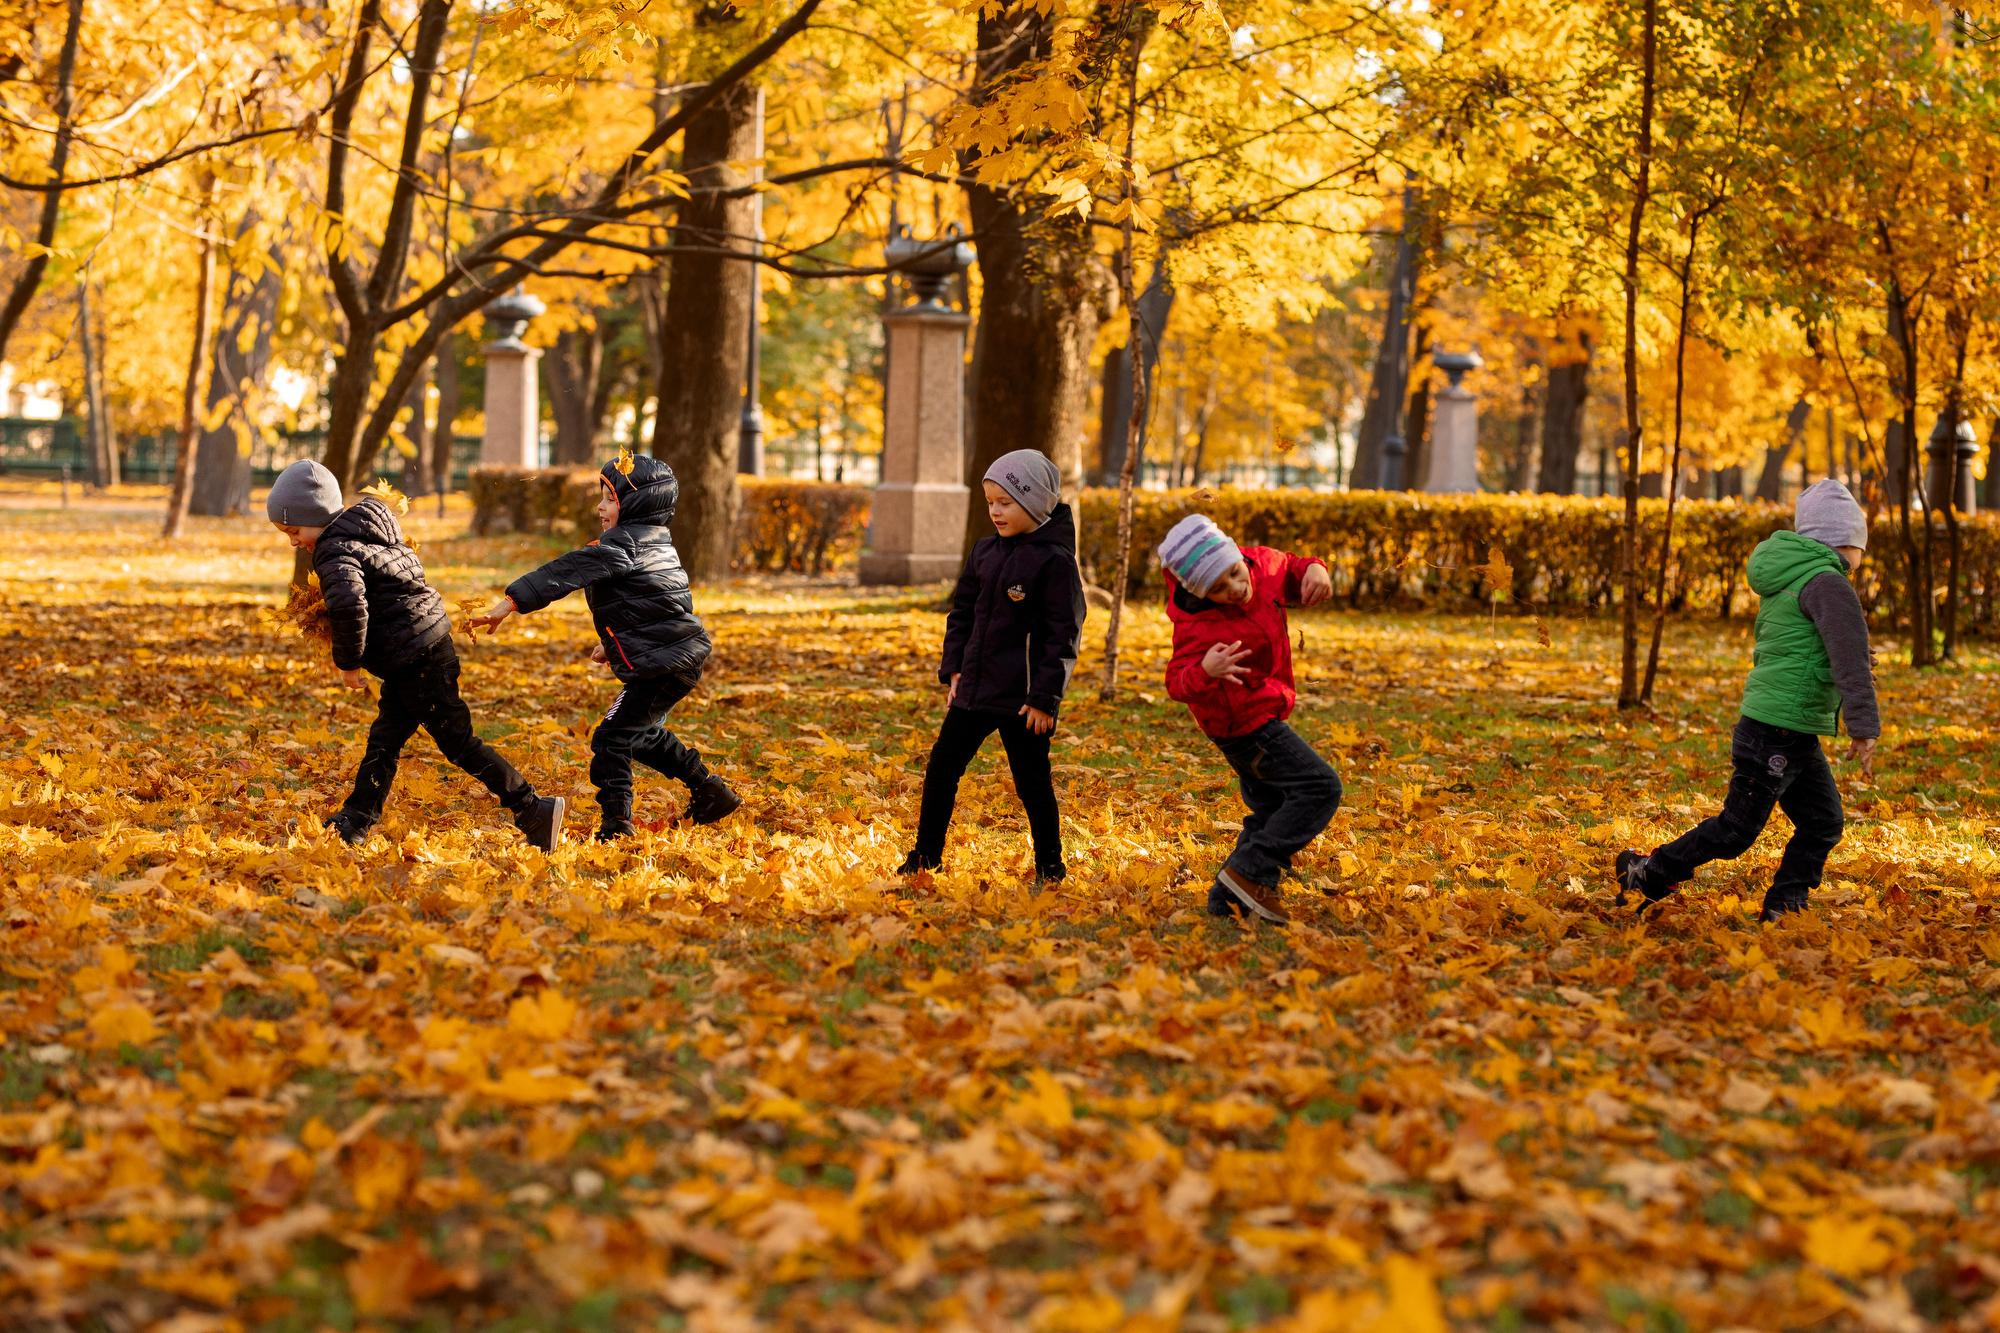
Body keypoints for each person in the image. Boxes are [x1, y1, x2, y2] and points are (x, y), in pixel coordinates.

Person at [1616, 479, 1880, 921]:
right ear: (1843, 540)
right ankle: (1648, 871)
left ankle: (1785, 905)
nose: (1860, 557)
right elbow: (1847, 657)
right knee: (1736, 830)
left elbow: (1804, 643)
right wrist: (1864, 725)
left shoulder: (1791, 576)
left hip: (1781, 727)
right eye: (1859, 544)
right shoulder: (1829, 583)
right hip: (1778, 729)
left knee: (1822, 822)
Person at [266, 460, 564, 850]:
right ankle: (355, 821)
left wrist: (349, 662)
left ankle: (531, 806)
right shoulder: (369, 531)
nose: (293, 541)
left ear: (315, 516)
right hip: (420, 652)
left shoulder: (334, 551)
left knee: (458, 743)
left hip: (417, 660)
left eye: (294, 530)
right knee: (384, 741)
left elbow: (351, 607)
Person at [467, 455, 738, 841]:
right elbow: (656, 605)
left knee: (611, 738)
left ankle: (617, 828)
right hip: (673, 659)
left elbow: (563, 572)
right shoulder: (657, 544)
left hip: (662, 665)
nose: (600, 507)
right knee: (638, 734)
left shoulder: (622, 546)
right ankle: (710, 790)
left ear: (637, 504)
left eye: (610, 498)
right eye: (603, 497)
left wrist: (509, 603)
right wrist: (613, 643)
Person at [897, 449, 1085, 884]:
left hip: (1024, 702)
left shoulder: (1054, 562)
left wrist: (1045, 699)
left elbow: (1063, 636)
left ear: (1035, 503)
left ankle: (1050, 866)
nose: (995, 512)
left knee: (1032, 783)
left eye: (1006, 502)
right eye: (990, 502)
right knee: (942, 768)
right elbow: (962, 613)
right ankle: (926, 857)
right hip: (976, 690)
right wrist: (955, 669)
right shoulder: (985, 552)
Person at [1159, 514, 1340, 924]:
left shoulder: (1262, 564)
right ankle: (1251, 870)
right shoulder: (1197, 624)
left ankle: (1229, 902)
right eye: (1219, 589)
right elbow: (1176, 682)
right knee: (1319, 787)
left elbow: (1292, 568)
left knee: (1272, 806)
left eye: (1235, 575)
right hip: (1243, 726)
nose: (1236, 589)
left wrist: (1316, 570)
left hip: (1266, 708)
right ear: (1200, 592)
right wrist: (1206, 669)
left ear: (1239, 556)